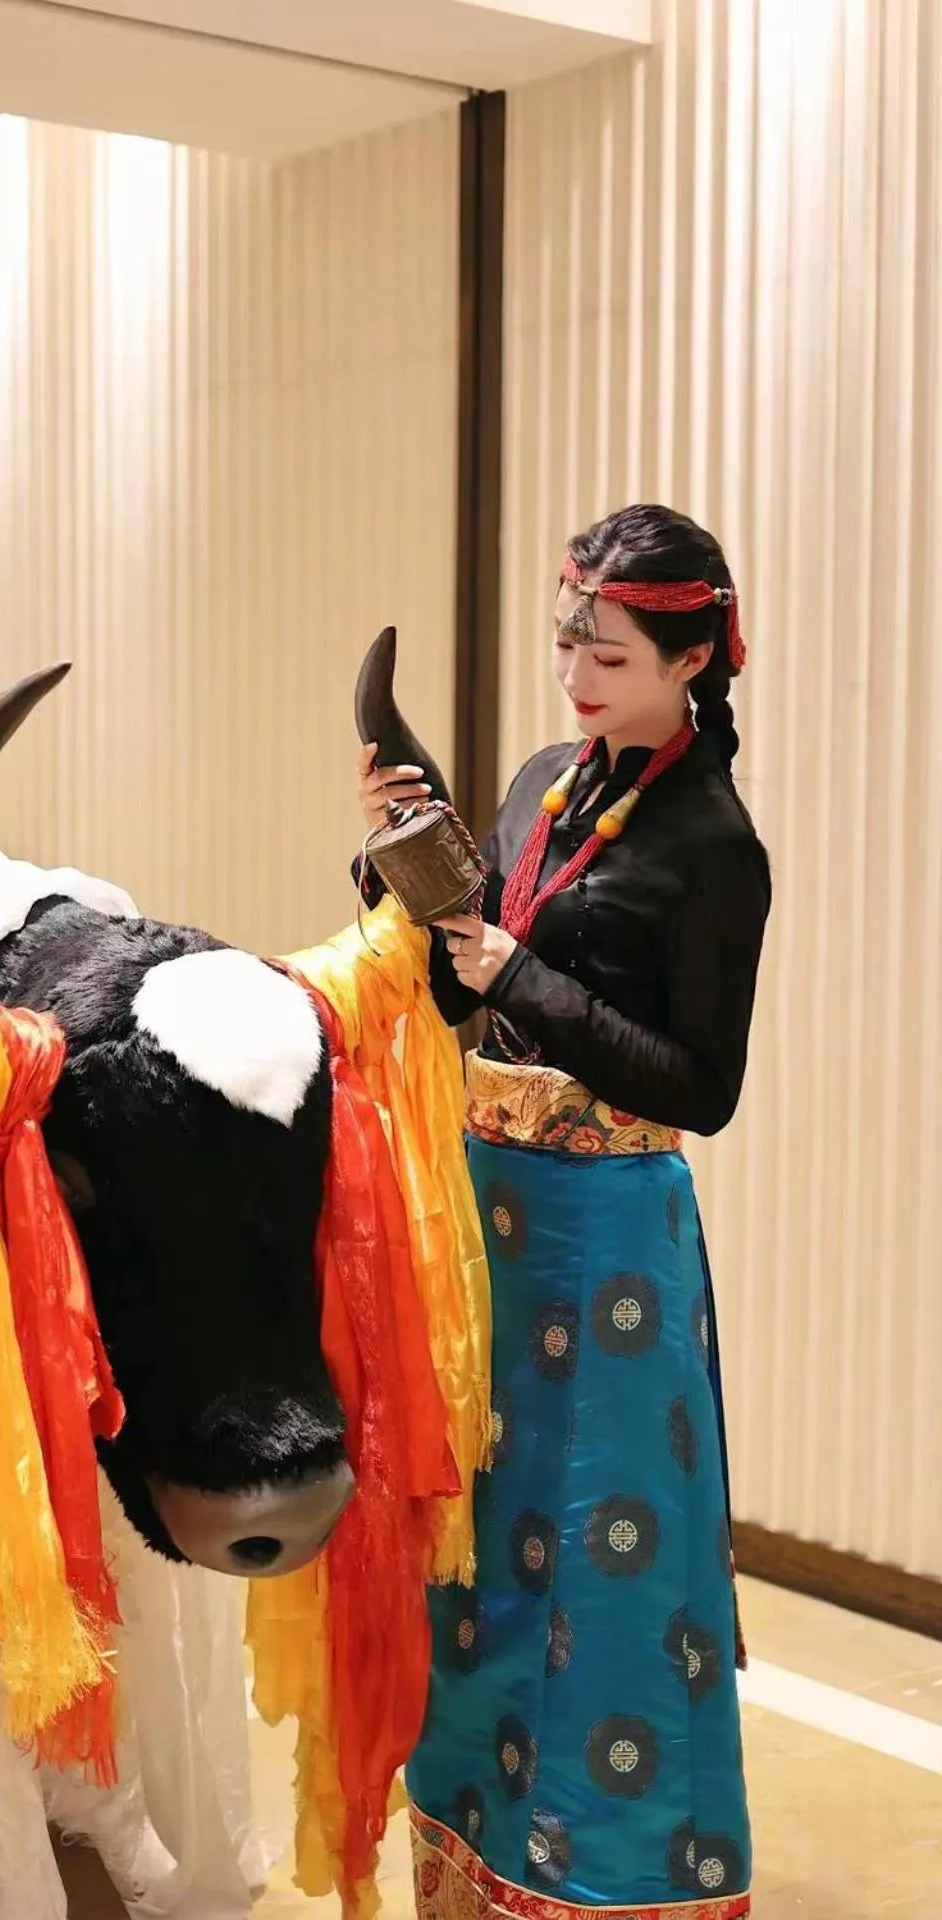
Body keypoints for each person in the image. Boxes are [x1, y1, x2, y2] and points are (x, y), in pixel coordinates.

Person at [356, 504, 769, 1918]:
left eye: (605, 650)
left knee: (599, 1577)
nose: (574, 672)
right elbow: (468, 984)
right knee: (479, 1561)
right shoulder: (544, 780)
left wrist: (518, 970)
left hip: (607, 1249)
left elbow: (700, 1088)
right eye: (565, 641)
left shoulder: (716, 843)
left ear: (689, 658)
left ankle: (602, 1879)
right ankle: (472, 1865)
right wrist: (404, 866)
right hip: (495, 1227)